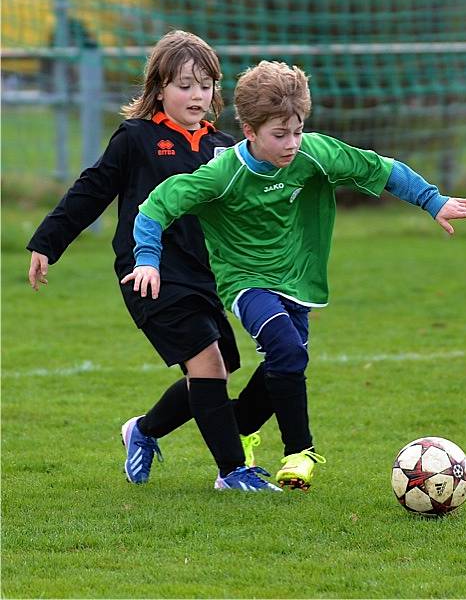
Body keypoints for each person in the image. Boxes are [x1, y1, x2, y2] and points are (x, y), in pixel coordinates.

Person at [123, 60, 466, 491]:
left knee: (279, 370)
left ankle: (156, 428)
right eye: (280, 135)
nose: (292, 143)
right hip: (245, 280)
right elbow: (156, 206)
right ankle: (299, 452)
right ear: (250, 131)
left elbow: (381, 169)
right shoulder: (224, 173)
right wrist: (147, 259)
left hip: (299, 281)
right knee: (287, 352)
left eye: (297, 131)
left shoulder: (315, 152)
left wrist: (432, 200)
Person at [27, 31, 281, 493]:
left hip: (205, 277)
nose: (196, 94)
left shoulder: (223, 148)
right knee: (208, 364)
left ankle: (143, 430)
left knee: (221, 366)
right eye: (184, 84)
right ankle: (231, 472)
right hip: (149, 274)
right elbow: (92, 189)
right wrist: (47, 241)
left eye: (205, 84)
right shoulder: (137, 138)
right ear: (159, 88)